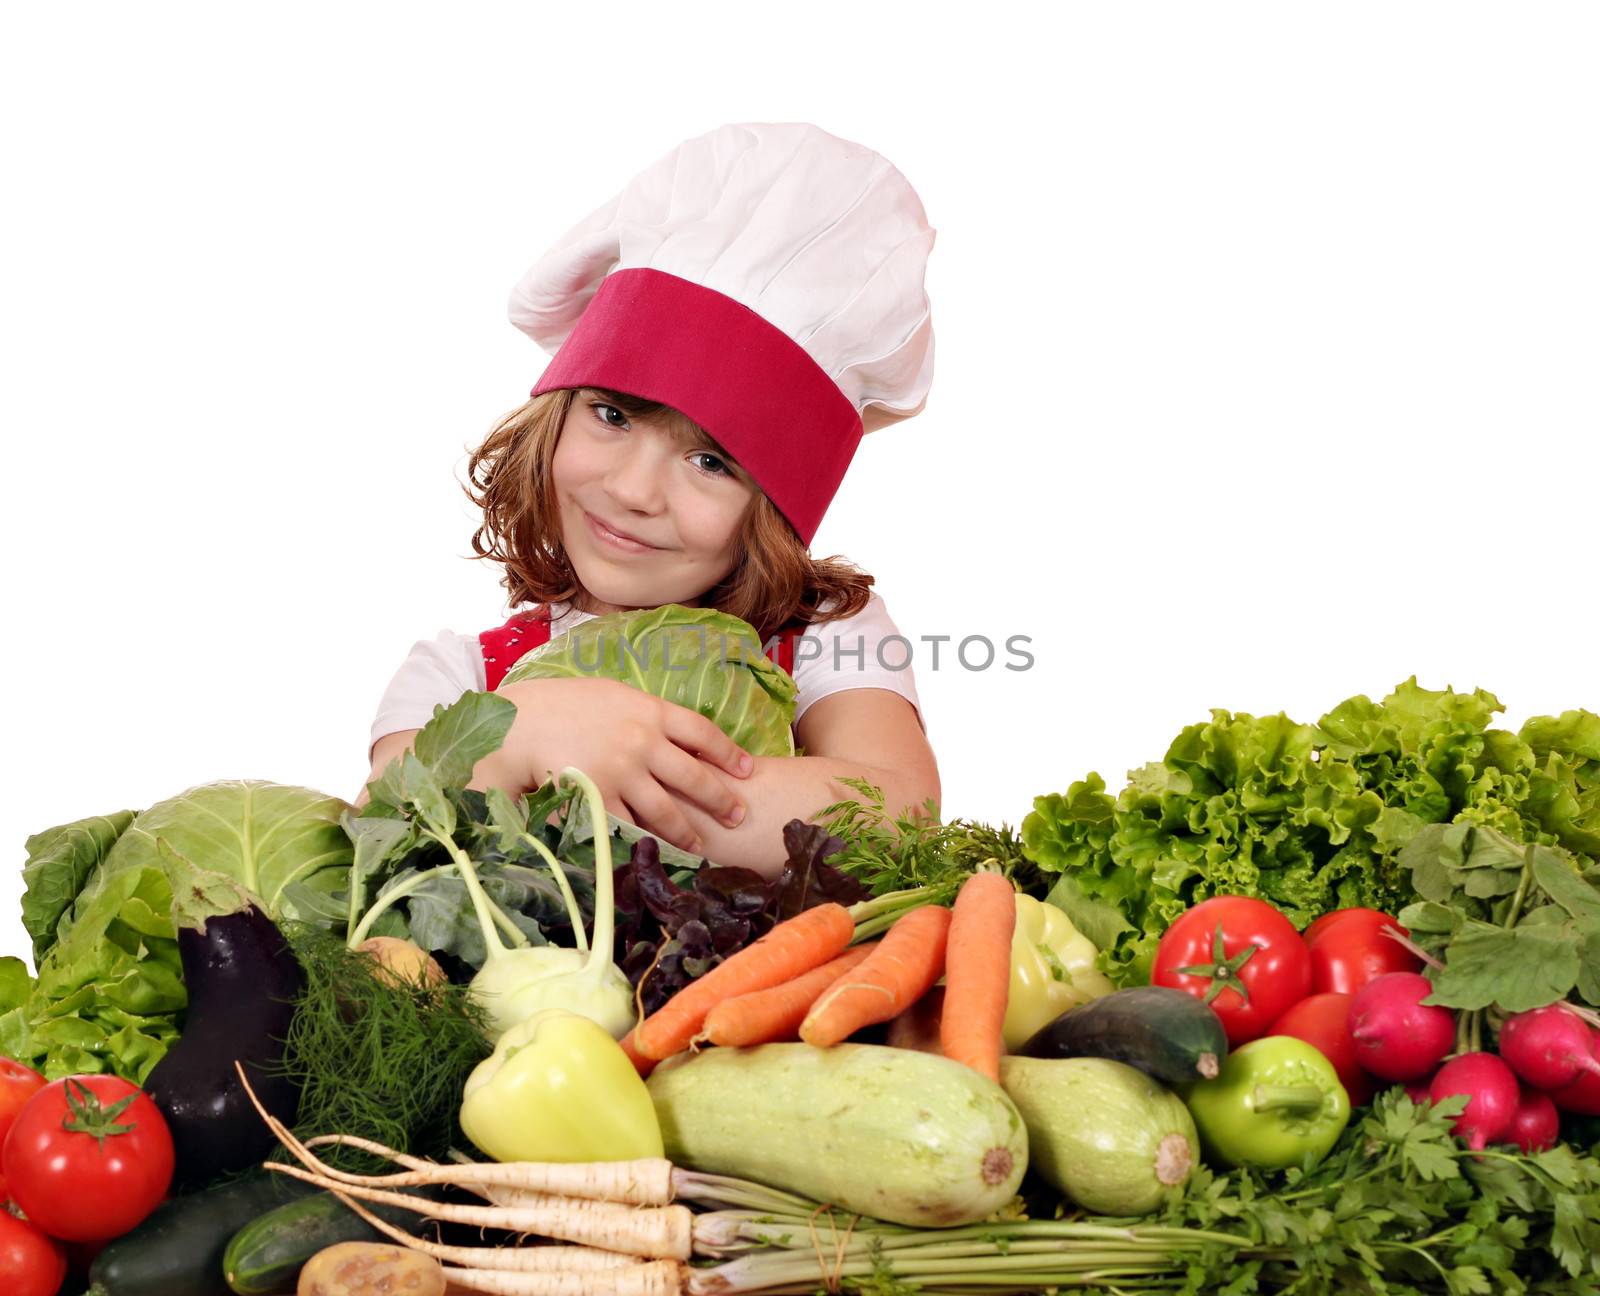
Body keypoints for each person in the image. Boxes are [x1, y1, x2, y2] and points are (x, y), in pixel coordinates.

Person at [361, 122, 940, 878]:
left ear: (776, 508)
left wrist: (585, 785)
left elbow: (900, 814)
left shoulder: (830, 636)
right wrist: (519, 731)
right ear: (556, 413)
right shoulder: (461, 676)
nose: (633, 491)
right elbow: (384, 830)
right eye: (613, 415)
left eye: (710, 461)